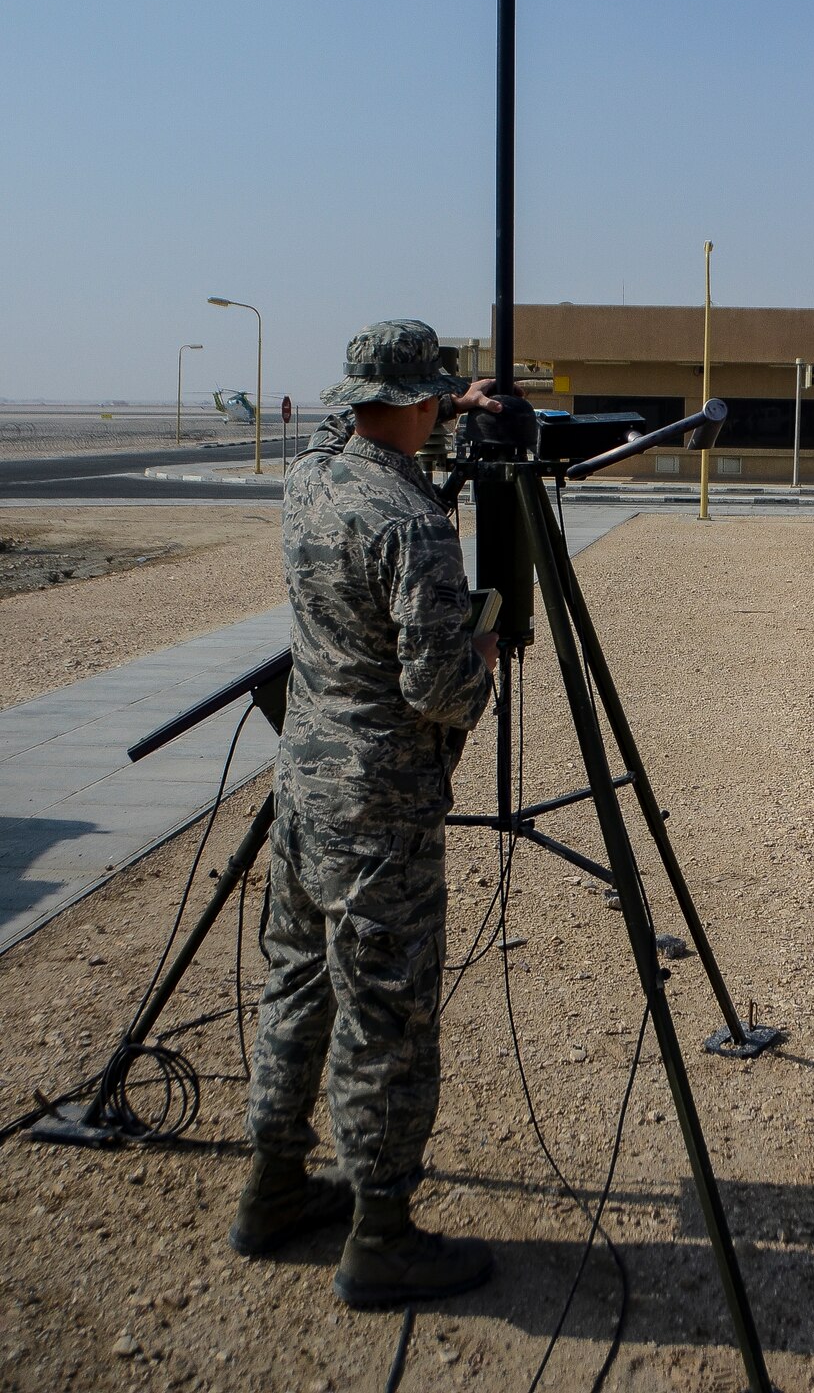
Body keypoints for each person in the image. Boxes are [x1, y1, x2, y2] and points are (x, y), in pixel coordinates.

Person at [228, 319, 502, 1309]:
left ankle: (271, 1187)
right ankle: (381, 1233)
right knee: (386, 1010)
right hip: (379, 803)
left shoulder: (313, 477)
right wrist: (486, 663)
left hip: (302, 785)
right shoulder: (411, 518)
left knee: (298, 983)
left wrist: (445, 401)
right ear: (421, 403)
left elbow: (353, 427)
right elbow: (436, 684)